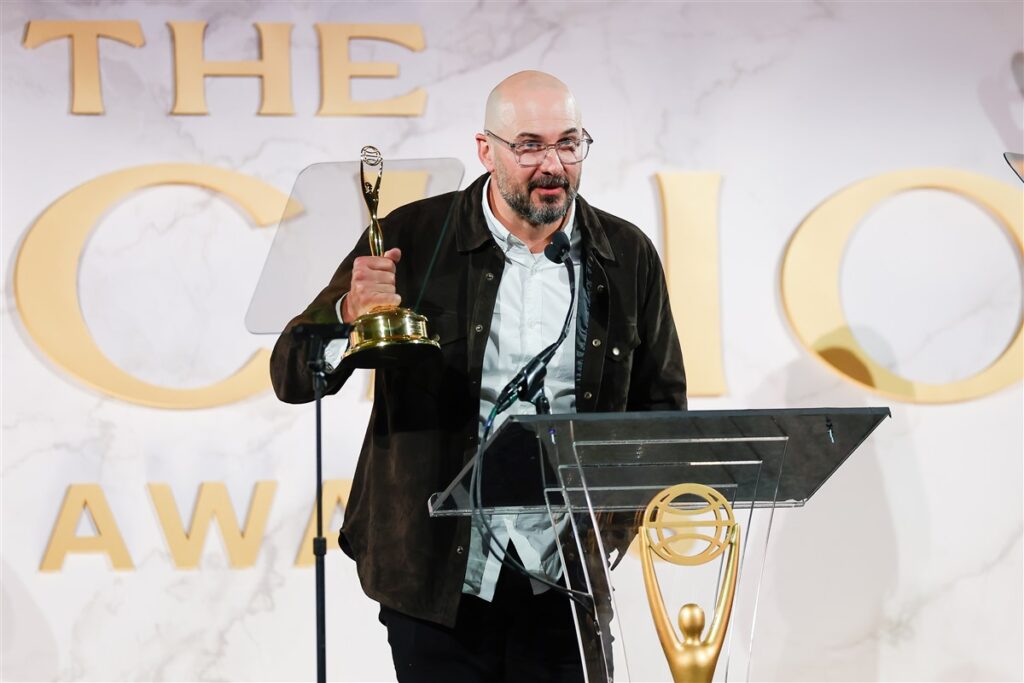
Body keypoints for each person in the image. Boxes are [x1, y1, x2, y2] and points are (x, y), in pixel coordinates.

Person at [270, 70, 686, 683]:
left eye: (569, 144)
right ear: (486, 150)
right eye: (530, 146)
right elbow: (291, 373)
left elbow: (662, 409)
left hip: (565, 580)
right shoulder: (413, 238)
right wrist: (347, 315)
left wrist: (614, 531)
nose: (553, 165)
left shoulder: (626, 255)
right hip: (436, 577)